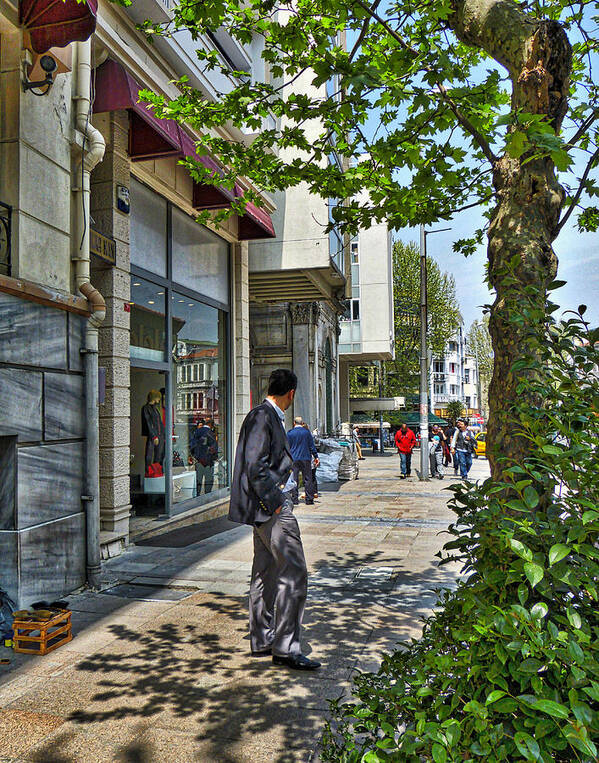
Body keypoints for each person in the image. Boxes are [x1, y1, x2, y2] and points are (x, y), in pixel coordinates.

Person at [229, 368, 320, 671]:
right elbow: (254, 466)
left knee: (265, 574)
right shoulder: (263, 416)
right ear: (291, 393)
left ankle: (263, 639)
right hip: (272, 512)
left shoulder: (264, 416)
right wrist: (277, 502)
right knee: (295, 574)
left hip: (264, 512)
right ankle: (285, 648)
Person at [287, 417, 319, 506]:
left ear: (294, 423)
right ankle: (309, 499)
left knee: (294, 479)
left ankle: (294, 499)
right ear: (302, 423)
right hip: (306, 458)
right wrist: (316, 456)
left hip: (294, 458)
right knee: (308, 479)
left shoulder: (290, 433)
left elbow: (287, 447)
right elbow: (311, 445)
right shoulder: (306, 433)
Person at [191, 418, 218, 494]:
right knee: (208, 480)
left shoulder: (197, 431)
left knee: (198, 479)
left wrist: (195, 456)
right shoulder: (211, 433)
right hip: (208, 461)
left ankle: (197, 494)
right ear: (211, 425)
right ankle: (207, 495)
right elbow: (213, 448)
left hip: (198, 460)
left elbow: (192, 445)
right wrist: (214, 457)